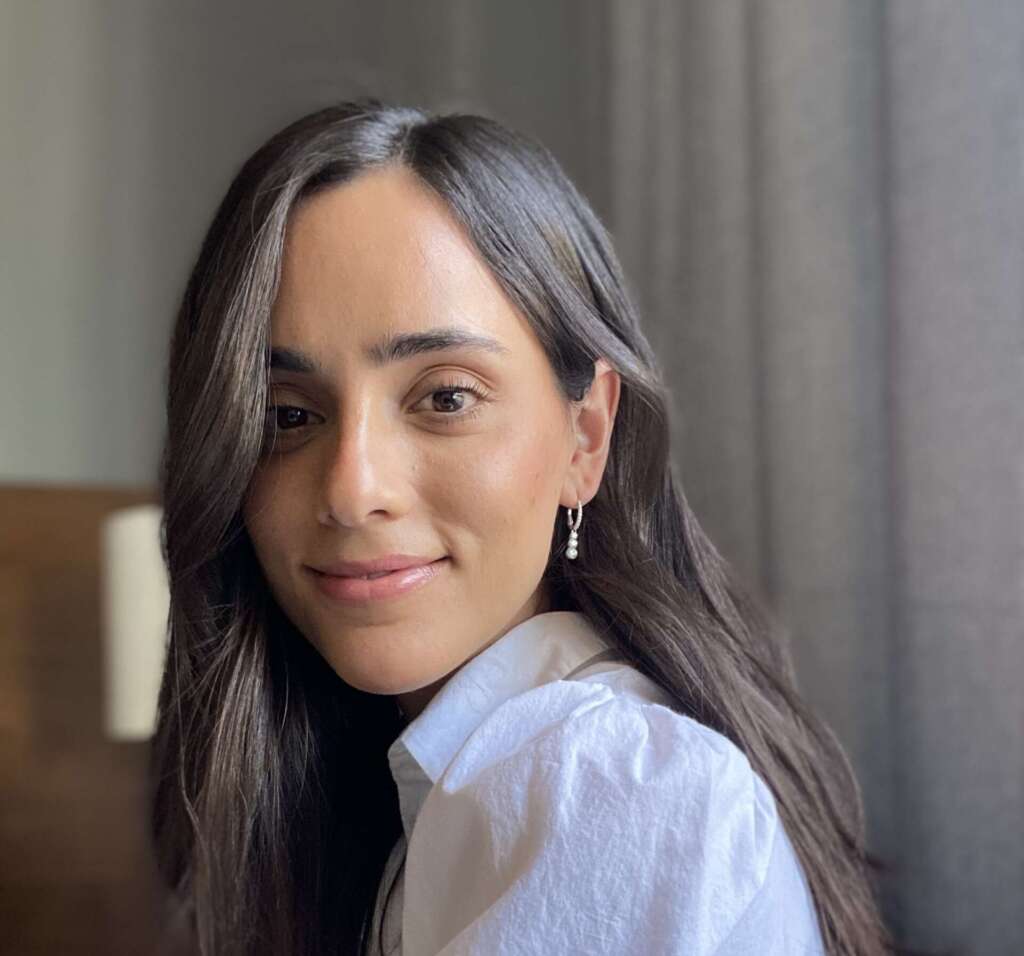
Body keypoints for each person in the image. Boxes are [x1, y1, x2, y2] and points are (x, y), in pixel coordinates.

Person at [149, 98, 898, 956]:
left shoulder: (604, 785)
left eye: (446, 397)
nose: (353, 490)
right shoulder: (434, 790)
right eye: (287, 415)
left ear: (587, 437)